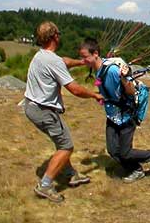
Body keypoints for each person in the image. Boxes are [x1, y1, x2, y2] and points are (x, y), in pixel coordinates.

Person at [24, 22, 104, 203]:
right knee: (66, 146)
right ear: (55, 37)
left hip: (33, 107)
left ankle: (70, 174)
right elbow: (74, 89)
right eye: (58, 34)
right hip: (43, 111)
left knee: (62, 140)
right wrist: (94, 94)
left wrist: (82, 62)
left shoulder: (42, 55)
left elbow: (64, 62)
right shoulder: (52, 61)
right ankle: (44, 185)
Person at [78, 38, 150, 183]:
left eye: (85, 57)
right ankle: (135, 169)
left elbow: (130, 91)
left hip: (126, 116)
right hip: (112, 115)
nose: (83, 61)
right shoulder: (98, 70)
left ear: (96, 54)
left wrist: (124, 79)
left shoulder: (111, 70)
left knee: (125, 153)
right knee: (112, 151)